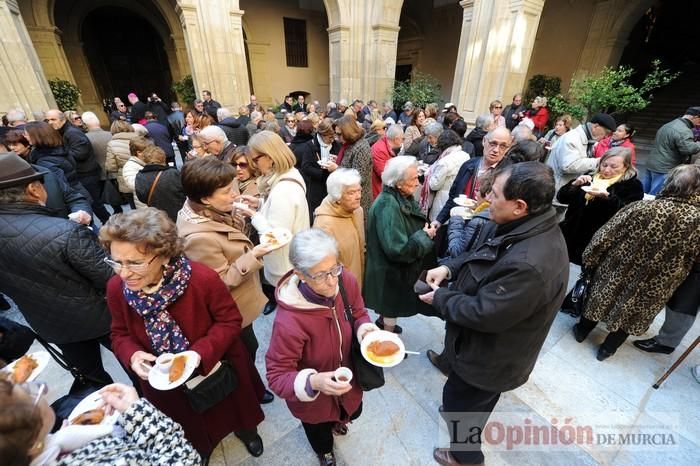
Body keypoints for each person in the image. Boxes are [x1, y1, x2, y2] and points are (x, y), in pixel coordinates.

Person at [419, 162, 569, 466]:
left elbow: (485, 313)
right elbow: (484, 255)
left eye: (495, 193)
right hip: (483, 348)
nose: (487, 197)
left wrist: (441, 298)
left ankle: (465, 456)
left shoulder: (530, 263)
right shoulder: (523, 226)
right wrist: (449, 267)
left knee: (463, 403)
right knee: (470, 402)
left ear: (519, 206)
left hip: (491, 357)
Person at [102, 208, 266, 458]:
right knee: (189, 426)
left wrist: (197, 354)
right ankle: (200, 449)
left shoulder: (202, 279)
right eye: (116, 262)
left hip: (217, 367)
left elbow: (230, 321)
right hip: (165, 384)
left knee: (235, 409)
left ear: (164, 255)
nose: (124, 273)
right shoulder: (117, 289)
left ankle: (247, 432)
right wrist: (133, 355)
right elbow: (119, 333)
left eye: (134, 262)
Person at [0, 155, 115, 390]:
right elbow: (109, 276)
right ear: (33, 189)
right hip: (101, 317)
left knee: (92, 380)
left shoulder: (60, 230)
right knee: (137, 366)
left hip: (50, 323)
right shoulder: (66, 232)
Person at [265, 229, 378, 466]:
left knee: (349, 411)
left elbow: (358, 312)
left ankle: (339, 422)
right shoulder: (289, 321)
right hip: (313, 398)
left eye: (334, 269)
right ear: (300, 275)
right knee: (318, 429)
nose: (332, 281)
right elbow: (277, 375)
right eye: (320, 275)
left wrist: (366, 330)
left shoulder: (346, 280)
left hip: (349, 376)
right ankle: (324, 451)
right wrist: (313, 382)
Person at [573, 164, 700, 361]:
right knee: (635, 312)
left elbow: (604, 237)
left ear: (672, 183)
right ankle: (608, 349)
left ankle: (582, 331)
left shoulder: (641, 207)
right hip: (658, 282)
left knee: (600, 297)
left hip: (617, 268)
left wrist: (590, 260)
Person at [177, 158, 275, 405]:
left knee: (247, 348)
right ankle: (249, 392)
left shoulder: (204, 209)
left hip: (241, 303)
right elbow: (219, 282)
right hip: (231, 309)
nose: (234, 194)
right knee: (243, 352)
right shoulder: (197, 237)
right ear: (206, 198)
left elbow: (231, 237)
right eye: (226, 192)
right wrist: (255, 255)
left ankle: (253, 385)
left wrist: (241, 213)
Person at [0, 380, 202, 466]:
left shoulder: (51, 449)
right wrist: (140, 415)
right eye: (28, 392)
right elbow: (182, 461)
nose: (38, 390)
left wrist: (57, 441)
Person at [237, 131, 310, 314]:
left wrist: (252, 214)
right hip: (293, 261)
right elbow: (285, 213)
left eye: (255, 160)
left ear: (269, 157)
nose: (253, 165)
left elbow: (277, 236)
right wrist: (260, 203)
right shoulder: (289, 175)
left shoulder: (283, 189)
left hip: (285, 268)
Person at [364, 156, 437, 334]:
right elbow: (397, 249)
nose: (418, 183)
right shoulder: (387, 205)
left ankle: (384, 324)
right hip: (389, 270)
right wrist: (424, 236)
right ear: (397, 183)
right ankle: (387, 339)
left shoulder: (397, 196)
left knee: (390, 305)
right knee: (391, 306)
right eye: (413, 179)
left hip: (391, 268)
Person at [557, 147, 643, 267]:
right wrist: (574, 185)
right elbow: (562, 198)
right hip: (569, 236)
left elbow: (628, 214)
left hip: (597, 243)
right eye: (604, 165)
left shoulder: (632, 186)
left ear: (626, 167)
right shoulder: (589, 177)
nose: (607, 170)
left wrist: (608, 199)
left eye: (614, 167)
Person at [434, 127, 513, 228]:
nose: (496, 150)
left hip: (484, 230)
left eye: (503, 146)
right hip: (458, 224)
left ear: (508, 149)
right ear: (484, 141)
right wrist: (439, 221)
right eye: (493, 143)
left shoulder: (508, 174)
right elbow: (453, 197)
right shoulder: (468, 165)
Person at [46, 109, 108, 223]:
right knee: (93, 202)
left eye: (53, 119)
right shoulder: (64, 132)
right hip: (82, 173)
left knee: (94, 203)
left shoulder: (72, 132)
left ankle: (109, 223)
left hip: (87, 173)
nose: (50, 122)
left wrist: (62, 154)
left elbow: (80, 153)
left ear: (63, 119)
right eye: (48, 120)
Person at [313, 169, 365, 287]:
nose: (358, 196)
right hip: (341, 289)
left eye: (359, 191)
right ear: (338, 197)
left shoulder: (357, 211)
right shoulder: (324, 224)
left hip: (359, 281)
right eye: (351, 193)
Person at [546, 112, 616, 192]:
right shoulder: (572, 138)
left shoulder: (589, 139)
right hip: (557, 188)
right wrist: (597, 161)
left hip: (566, 187)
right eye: (607, 133)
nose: (606, 137)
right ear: (595, 126)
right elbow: (568, 166)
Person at [643, 107, 700, 194]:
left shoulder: (670, 124)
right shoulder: (683, 130)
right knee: (655, 196)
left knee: (644, 192)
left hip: (653, 163)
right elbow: (688, 149)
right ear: (695, 117)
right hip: (665, 168)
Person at [420, 130, 471, 222]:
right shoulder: (465, 155)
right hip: (458, 199)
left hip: (442, 201)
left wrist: (428, 174)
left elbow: (434, 185)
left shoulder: (444, 161)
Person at [334, 115, 373, 216]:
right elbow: (348, 164)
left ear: (348, 132)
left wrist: (336, 169)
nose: (337, 138)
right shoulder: (350, 144)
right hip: (350, 200)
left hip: (359, 202)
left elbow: (359, 178)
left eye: (339, 134)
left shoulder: (361, 147)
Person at [134, 145, 185, 222]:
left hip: (158, 216)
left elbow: (141, 198)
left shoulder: (140, 176)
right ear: (163, 158)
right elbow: (186, 191)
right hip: (179, 213)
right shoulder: (173, 173)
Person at [106, 120, 140, 208]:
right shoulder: (139, 138)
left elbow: (111, 167)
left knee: (135, 207)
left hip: (126, 179)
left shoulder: (112, 144)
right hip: (143, 175)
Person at [83, 111, 113, 205]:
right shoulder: (111, 134)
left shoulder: (85, 138)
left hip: (100, 173)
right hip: (114, 171)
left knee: (110, 198)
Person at [371, 124, 404, 198]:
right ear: (396, 139)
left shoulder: (386, 145)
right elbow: (385, 176)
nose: (403, 141)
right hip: (379, 191)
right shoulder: (380, 150)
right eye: (402, 139)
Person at [120, 136, 152, 209]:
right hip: (145, 205)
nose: (151, 153)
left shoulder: (147, 161)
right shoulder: (130, 167)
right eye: (149, 151)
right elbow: (134, 185)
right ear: (139, 152)